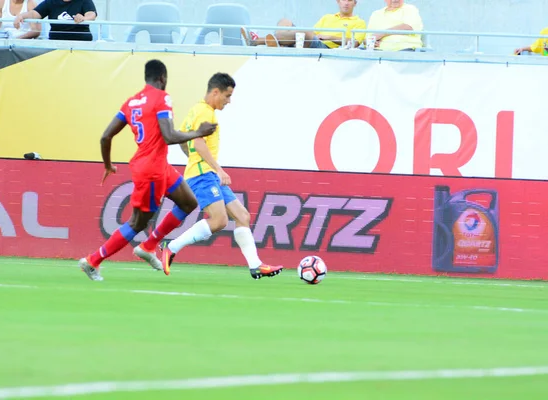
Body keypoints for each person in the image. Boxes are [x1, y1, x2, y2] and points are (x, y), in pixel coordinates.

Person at [78, 60, 218, 281]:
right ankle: (92, 261)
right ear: (162, 78)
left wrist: (108, 165)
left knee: (189, 202)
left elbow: (106, 136)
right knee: (137, 223)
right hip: (151, 171)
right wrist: (197, 132)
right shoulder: (162, 98)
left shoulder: (132, 102)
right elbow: (169, 136)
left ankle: (149, 245)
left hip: (157, 164)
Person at [139, 73, 283, 280]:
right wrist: (217, 168)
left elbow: (182, 138)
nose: (229, 101)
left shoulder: (197, 110)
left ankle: (256, 265)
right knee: (219, 220)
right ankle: (171, 247)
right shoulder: (206, 113)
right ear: (215, 92)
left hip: (206, 173)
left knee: (242, 216)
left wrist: (193, 159)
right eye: (227, 96)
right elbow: (198, 142)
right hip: (203, 175)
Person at [242, 0, 366, 49]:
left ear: (355, 3)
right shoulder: (328, 17)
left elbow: (354, 43)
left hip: (328, 48)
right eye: (344, 0)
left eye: (350, 0)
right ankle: (280, 42)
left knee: (304, 33)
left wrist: (329, 37)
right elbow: (314, 33)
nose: (346, 3)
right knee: (284, 22)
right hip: (313, 41)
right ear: (338, 2)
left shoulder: (359, 22)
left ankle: (257, 41)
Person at [14, 0, 97, 41]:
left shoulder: (84, 1)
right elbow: (34, 14)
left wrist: (83, 18)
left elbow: (91, 14)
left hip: (80, 43)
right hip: (56, 44)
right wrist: (21, 16)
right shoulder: (51, 2)